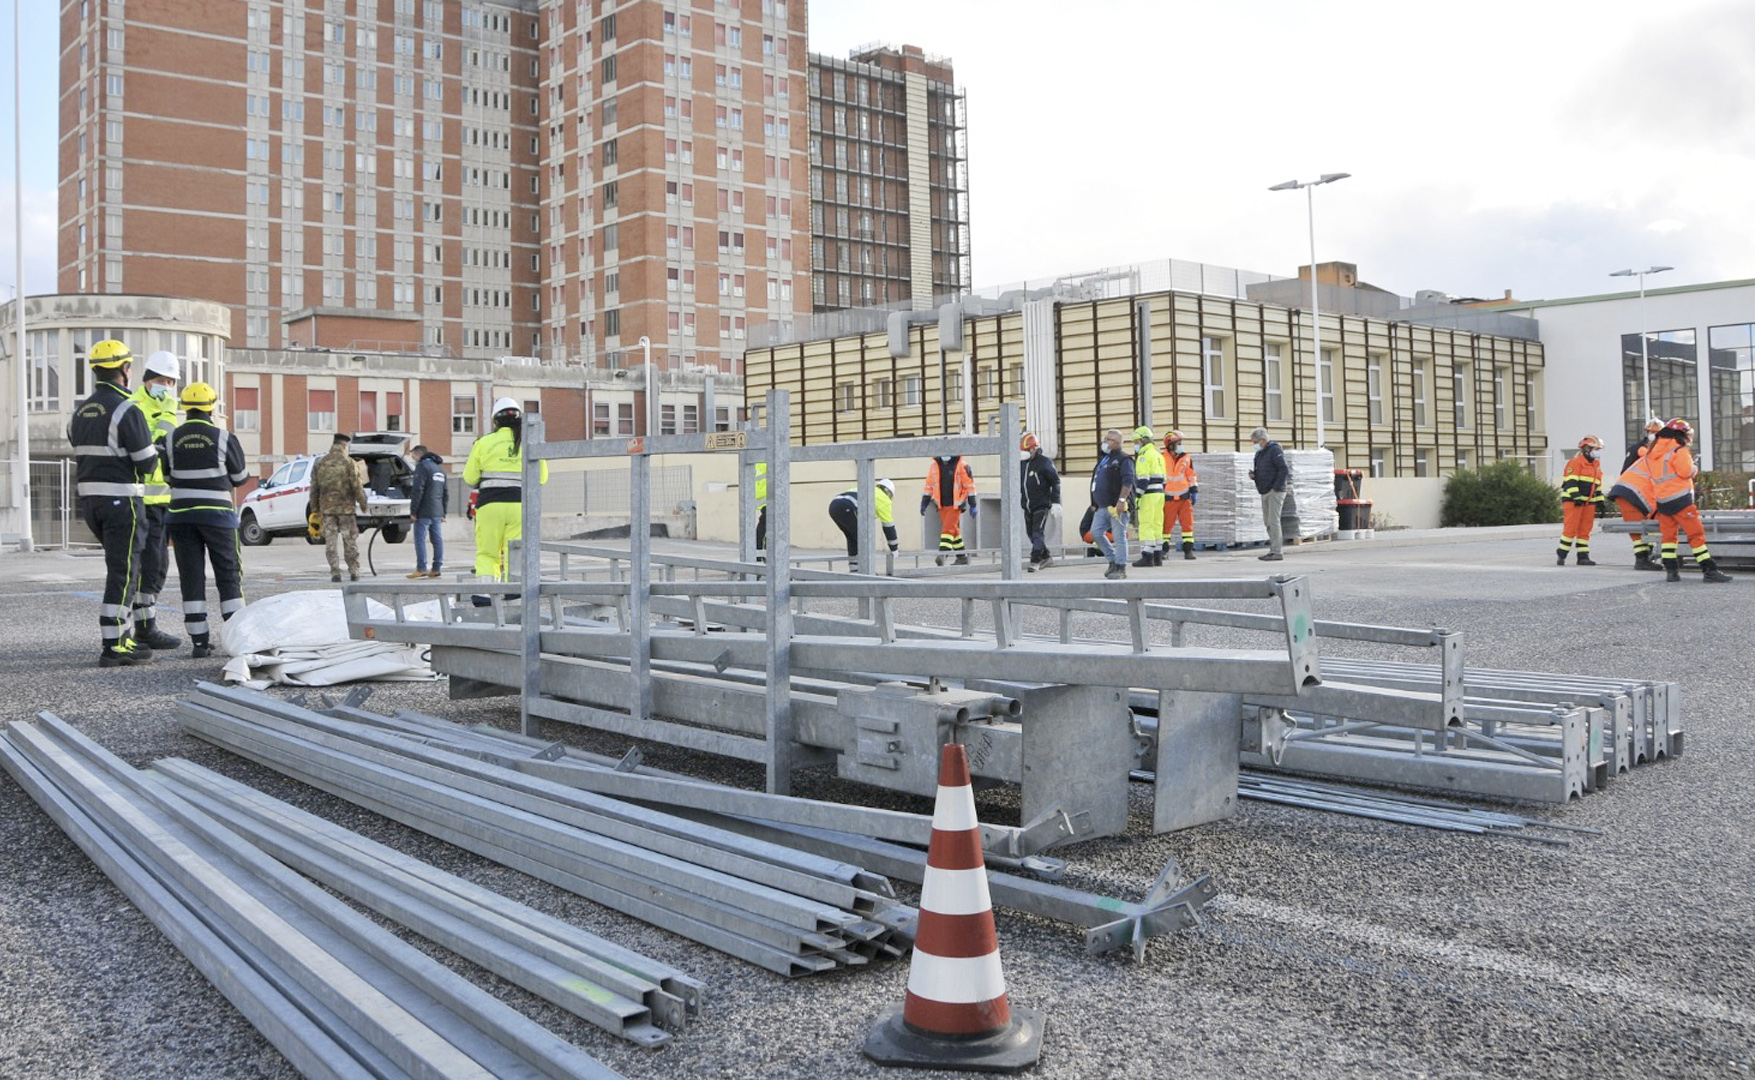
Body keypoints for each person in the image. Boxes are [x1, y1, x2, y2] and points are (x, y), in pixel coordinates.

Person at [67, 339, 162, 666]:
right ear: (125, 369)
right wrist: (157, 448)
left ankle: (119, 636)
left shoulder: (80, 411)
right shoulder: (127, 408)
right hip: (122, 500)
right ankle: (116, 644)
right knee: (124, 571)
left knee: (117, 568)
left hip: (90, 502)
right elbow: (146, 463)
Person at [162, 382, 250, 658]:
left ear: (185, 408)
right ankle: (236, 637)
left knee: (191, 575)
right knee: (228, 574)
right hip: (218, 517)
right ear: (211, 407)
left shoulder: (170, 438)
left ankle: (199, 642)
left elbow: (167, 476)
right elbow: (240, 478)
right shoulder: (224, 438)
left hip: (180, 516)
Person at [1620, 418, 1734, 584]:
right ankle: (1709, 570)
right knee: (1696, 535)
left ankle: (1671, 572)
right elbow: (1685, 472)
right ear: (1681, 434)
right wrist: (1694, 468)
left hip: (1662, 502)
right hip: (1681, 500)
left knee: (1668, 537)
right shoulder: (1678, 451)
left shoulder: (1653, 452)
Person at [124, 350, 184, 651]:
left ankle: (146, 626)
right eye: (162, 380)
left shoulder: (171, 405)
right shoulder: (133, 406)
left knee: (157, 565)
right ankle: (144, 628)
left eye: (171, 381)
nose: (167, 386)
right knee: (144, 565)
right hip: (139, 499)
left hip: (161, 500)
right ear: (148, 379)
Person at [464, 396, 549, 582]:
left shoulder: (483, 443)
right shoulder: (529, 442)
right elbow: (541, 478)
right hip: (519, 506)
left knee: (488, 552)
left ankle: (485, 595)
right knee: (515, 553)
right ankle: (515, 595)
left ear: (495, 420)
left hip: (490, 505)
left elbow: (470, 478)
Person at [312, 433, 367, 582]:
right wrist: (363, 504)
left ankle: (335, 572)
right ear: (344, 446)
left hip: (327, 510)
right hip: (346, 510)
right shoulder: (348, 462)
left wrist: (315, 509)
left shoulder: (320, 463)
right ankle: (354, 571)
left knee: (330, 543)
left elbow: (314, 489)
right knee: (349, 541)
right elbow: (356, 485)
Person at [1610, 420, 1663, 570]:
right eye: (1651, 432)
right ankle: (1642, 559)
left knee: (1647, 525)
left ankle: (1646, 556)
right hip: (1632, 492)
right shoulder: (1638, 450)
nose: (1653, 435)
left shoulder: (1656, 452)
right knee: (1639, 527)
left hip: (1636, 492)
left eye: (1656, 433)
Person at [1089, 428, 1135, 579]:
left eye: (1108, 439)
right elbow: (1096, 480)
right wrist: (1094, 501)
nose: (1104, 442)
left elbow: (1128, 481)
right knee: (1095, 533)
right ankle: (1112, 560)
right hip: (1102, 506)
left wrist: (1122, 500)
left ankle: (1121, 567)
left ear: (1117, 442)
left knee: (1119, 536)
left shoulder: (1123, 459)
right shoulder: (1104, 459)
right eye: (1105, 438)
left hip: (1117, 507)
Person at [1556, 435, 1606, 566]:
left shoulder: (1596, 465)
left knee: (1585, 530)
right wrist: (1577, 497)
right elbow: (1570, 482)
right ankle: (1562, 554)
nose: (1597, 452)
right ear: (1586, 449)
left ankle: (1583, 557)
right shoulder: (1576, 462)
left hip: (1588, 502)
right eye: (1595, 449)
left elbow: (1597, 484)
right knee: (1570, 529)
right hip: (1573, 501)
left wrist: (1600, 501)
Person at [921, 452, 977, 566]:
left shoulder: (962, 465)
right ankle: (962, 557)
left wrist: (973, 504)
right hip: (941, 504)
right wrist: (924, 503)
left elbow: (970, 486)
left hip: (956, 504)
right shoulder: (934, 466)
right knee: (953, 531)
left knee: (947, 530)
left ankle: (943, 554)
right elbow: (929, 486)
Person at [828, 478, 899, 562]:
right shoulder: (884, 499)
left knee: (852, 538)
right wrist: (894, 549)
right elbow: (889, 527)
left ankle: (854, 569)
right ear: (889, 493)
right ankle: (868, 570)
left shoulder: (867, 489)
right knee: (865, 539)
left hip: (834, 506)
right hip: (848, 507)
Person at [405, 444, 448, 579]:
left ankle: (421, 568)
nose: (413, 459)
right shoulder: (440, 470)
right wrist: (443, 512)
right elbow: (446, 493)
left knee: (420, 539)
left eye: (413, 456)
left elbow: (418, 490)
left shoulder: (422, 467)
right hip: (437, 511)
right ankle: (436, 568)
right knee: (437, 540)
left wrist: (413, 511)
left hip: (424, 511)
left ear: (418, 455)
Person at [1019, 432, 1060, 571]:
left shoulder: (1044, 462)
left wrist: (1056, 502)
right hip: (1027, 506)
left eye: (1027, 450)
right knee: (1031, 534)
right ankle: (1046, 557)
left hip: (1041, 505)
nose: (1025, 453)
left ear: (1034, 448)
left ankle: (1035, 560)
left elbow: (1055, 481)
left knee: (1037, 533)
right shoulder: (1022, 464)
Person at [1249, 426, 1288, 562]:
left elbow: (1283, 469)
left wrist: (1276, 487)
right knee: (1268, 522)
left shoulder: (1274, 450)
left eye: (1255, 442)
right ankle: (1273, 550)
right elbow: (1263, 469)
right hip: (1264, 490)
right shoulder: (1260, 454)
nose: (1254, 445)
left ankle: (1277, 551)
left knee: (1273, 521)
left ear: (1263, 440)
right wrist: (1254, 475)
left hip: (1275, 491)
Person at [1131, 425, 1167, 568]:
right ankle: (1158, 556)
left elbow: (1143, 479)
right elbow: (1164, 479)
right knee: (1157, 524)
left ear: (1142, 440)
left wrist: (1138, 496)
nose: (1135, 445)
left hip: (1148, 495)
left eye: (1136, 442)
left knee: (1146, 524)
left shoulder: (1144, 456)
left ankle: (1147, 556)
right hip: (1160, 494)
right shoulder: (1158, 455)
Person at [1162, 430, 1200, 561]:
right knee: (1166, 528)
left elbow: (1191, 474)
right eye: (1178, 443)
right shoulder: (1162, 458)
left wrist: (1194, 490)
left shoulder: (1186, 457)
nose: (1181, 445)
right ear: (1170, 444)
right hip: (1168, 498)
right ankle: (1164, 551)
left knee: (1188, 527)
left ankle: (1188, 551)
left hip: (1184, 497)